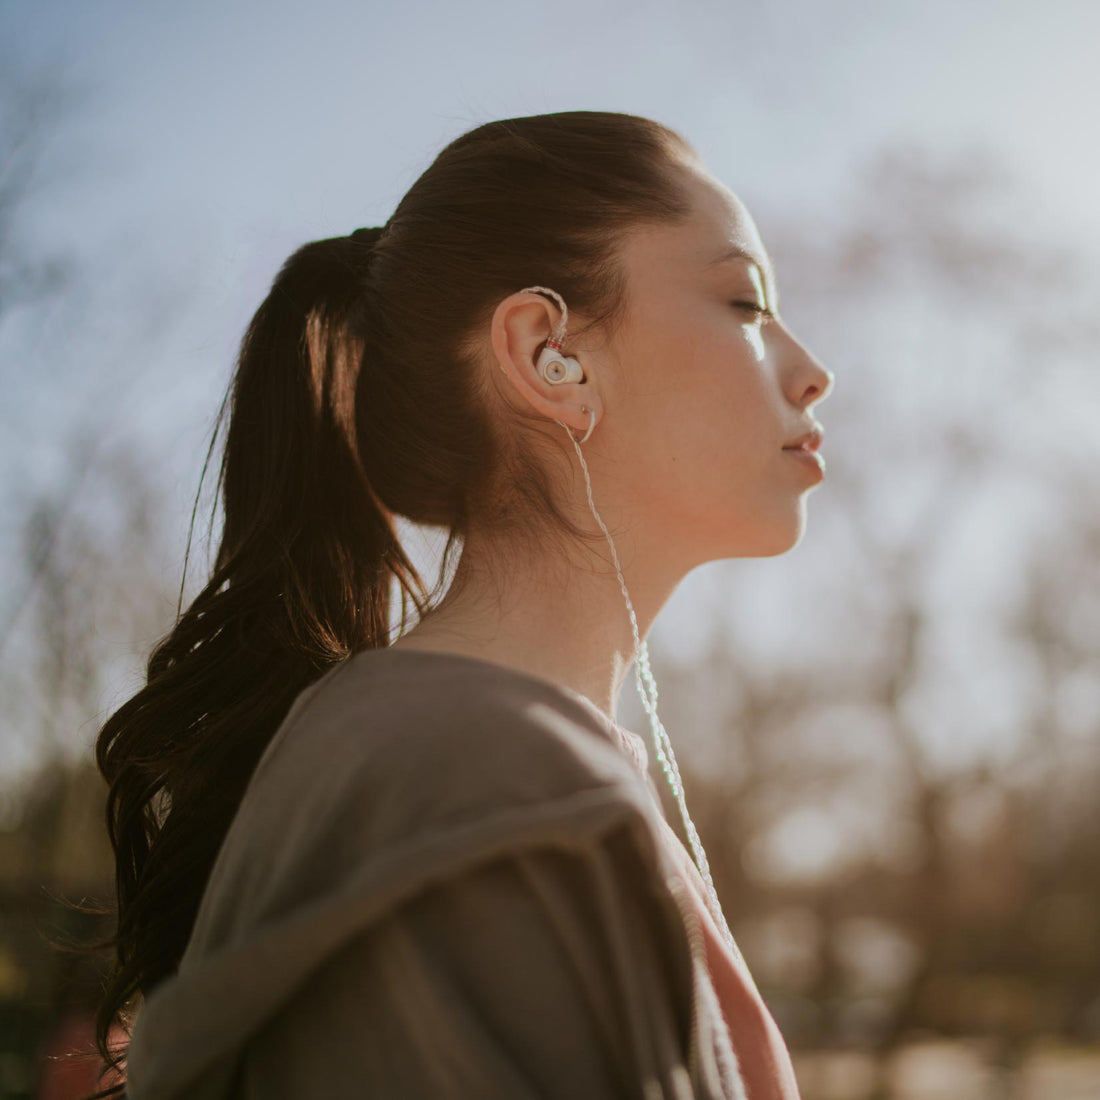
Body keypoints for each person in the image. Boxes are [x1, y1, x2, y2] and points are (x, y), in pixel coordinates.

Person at [86, 109, 834, 1099]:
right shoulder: (488, 777)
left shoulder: (478, 756)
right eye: (744, 301)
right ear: (545, 353)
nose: (809, 369)